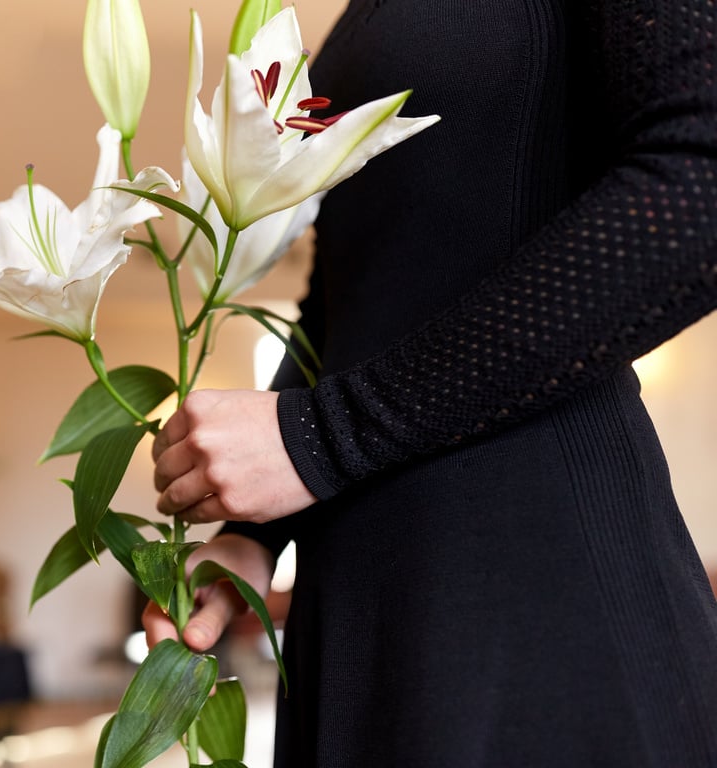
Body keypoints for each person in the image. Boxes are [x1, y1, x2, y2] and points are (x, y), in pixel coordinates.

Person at [144, 0, 717, 765]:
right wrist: (253, 536)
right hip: (353, 604)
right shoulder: (355, 23)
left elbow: (697, 190)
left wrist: (327, 435)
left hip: (528, 585)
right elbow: (345, 296)